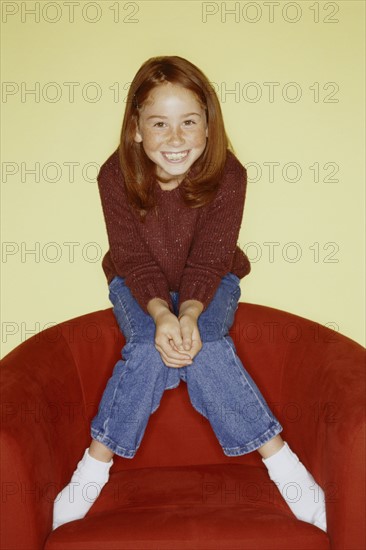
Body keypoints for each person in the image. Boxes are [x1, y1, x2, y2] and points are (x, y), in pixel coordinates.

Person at [52, 55, 327, 532]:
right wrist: (161, 314)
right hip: (134, 282)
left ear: (207, 127)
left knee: (207, 346)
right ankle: (91, 472)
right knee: (147, 347)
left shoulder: (231, 175)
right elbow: (133, 261)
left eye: (188, 123)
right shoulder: (113, 176)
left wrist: (192, 312)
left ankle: (285, 469)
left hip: (211, 278)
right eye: (159, 123)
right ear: (136, 127)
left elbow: (210, 259)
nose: (174, 139)